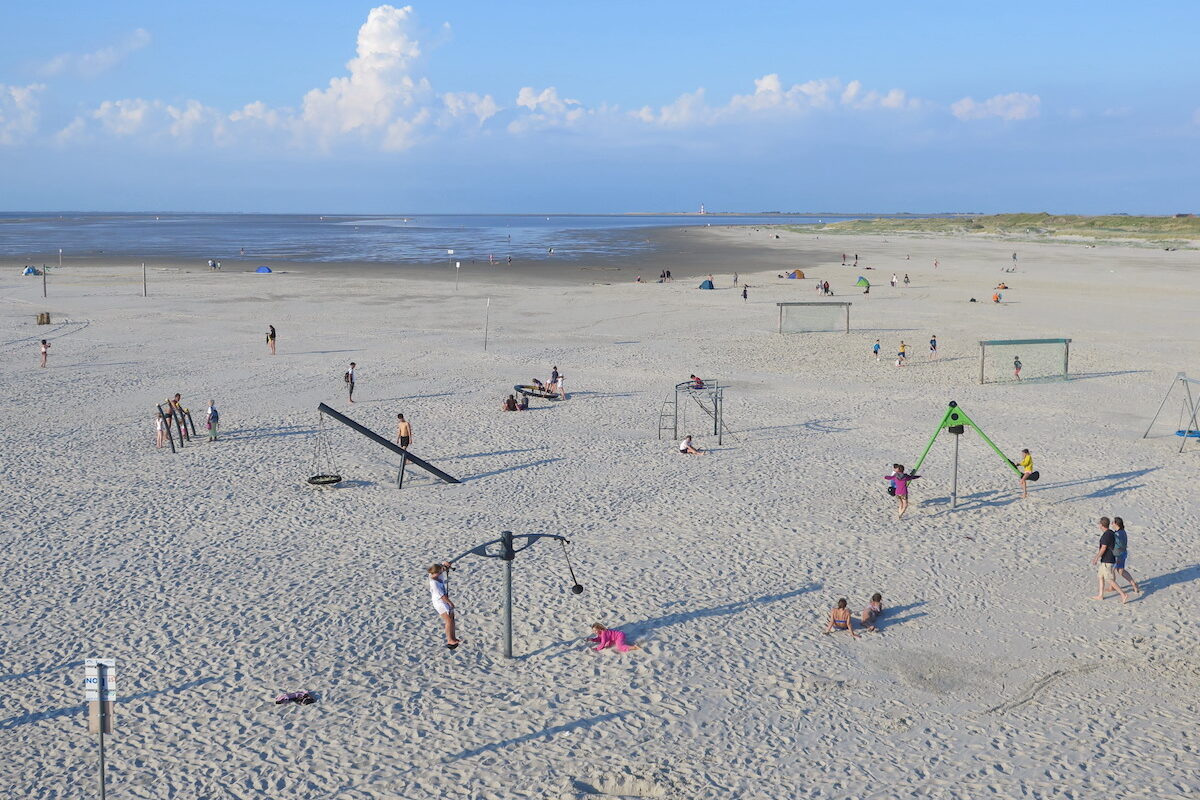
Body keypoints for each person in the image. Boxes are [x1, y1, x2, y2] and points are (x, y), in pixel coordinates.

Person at [1091, 517, 1129, 603]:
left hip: (1107, 560)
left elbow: (1103, 548)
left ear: (1101, 525)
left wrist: (1096, 557)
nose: (1099, 526)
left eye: (1099, 524)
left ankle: (1123, 594)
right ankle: (1100, 595)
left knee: (1109, 579)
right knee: (1100, 576)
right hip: (1107, 559)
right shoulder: (1111, 532)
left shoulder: (1106, 535)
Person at [428, 562, 461, 648]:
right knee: (448, 620)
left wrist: (444, 564)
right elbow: (441, 595)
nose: (441, 573)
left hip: (443, 600)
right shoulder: (433, 582)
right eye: (439, 572)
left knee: (452, 618)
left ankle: (453, 637)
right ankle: (450, 640)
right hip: (439, 602)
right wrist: (450, 602)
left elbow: (440, 565)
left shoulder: (438, 575)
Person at [1111, 517, 1141, 594]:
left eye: (1113, 523)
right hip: (1123, 553)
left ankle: (1112, 587)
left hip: (1118, 554)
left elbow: (1117, 543)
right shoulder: (1123, 531)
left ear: (1116, 524)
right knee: (1121, 571)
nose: (1111, 524)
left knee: (1112, 570)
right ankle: (1134, 584)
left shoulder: (1117, 534)